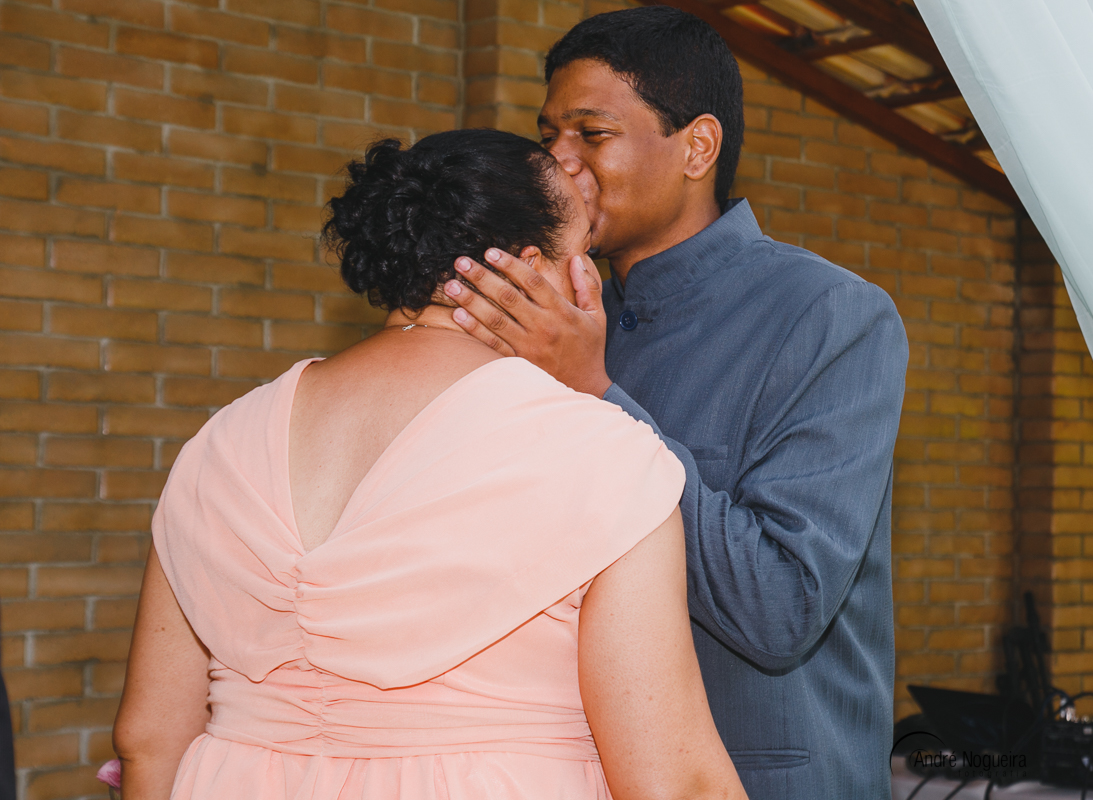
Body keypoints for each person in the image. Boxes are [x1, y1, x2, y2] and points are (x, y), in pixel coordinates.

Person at [112, 129, 746, 800]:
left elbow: (148, 740)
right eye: (584, 247)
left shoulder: (220, 441)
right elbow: (673, 782)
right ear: (533, 269)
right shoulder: (600, 457)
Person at [441, 7, 909, 800]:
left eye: (589, 134)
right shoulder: (566, 319)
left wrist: (592, 394)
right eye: (546, 135)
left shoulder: (829, 316)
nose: (555, 164)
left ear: (696, 147)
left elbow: (779, 607)